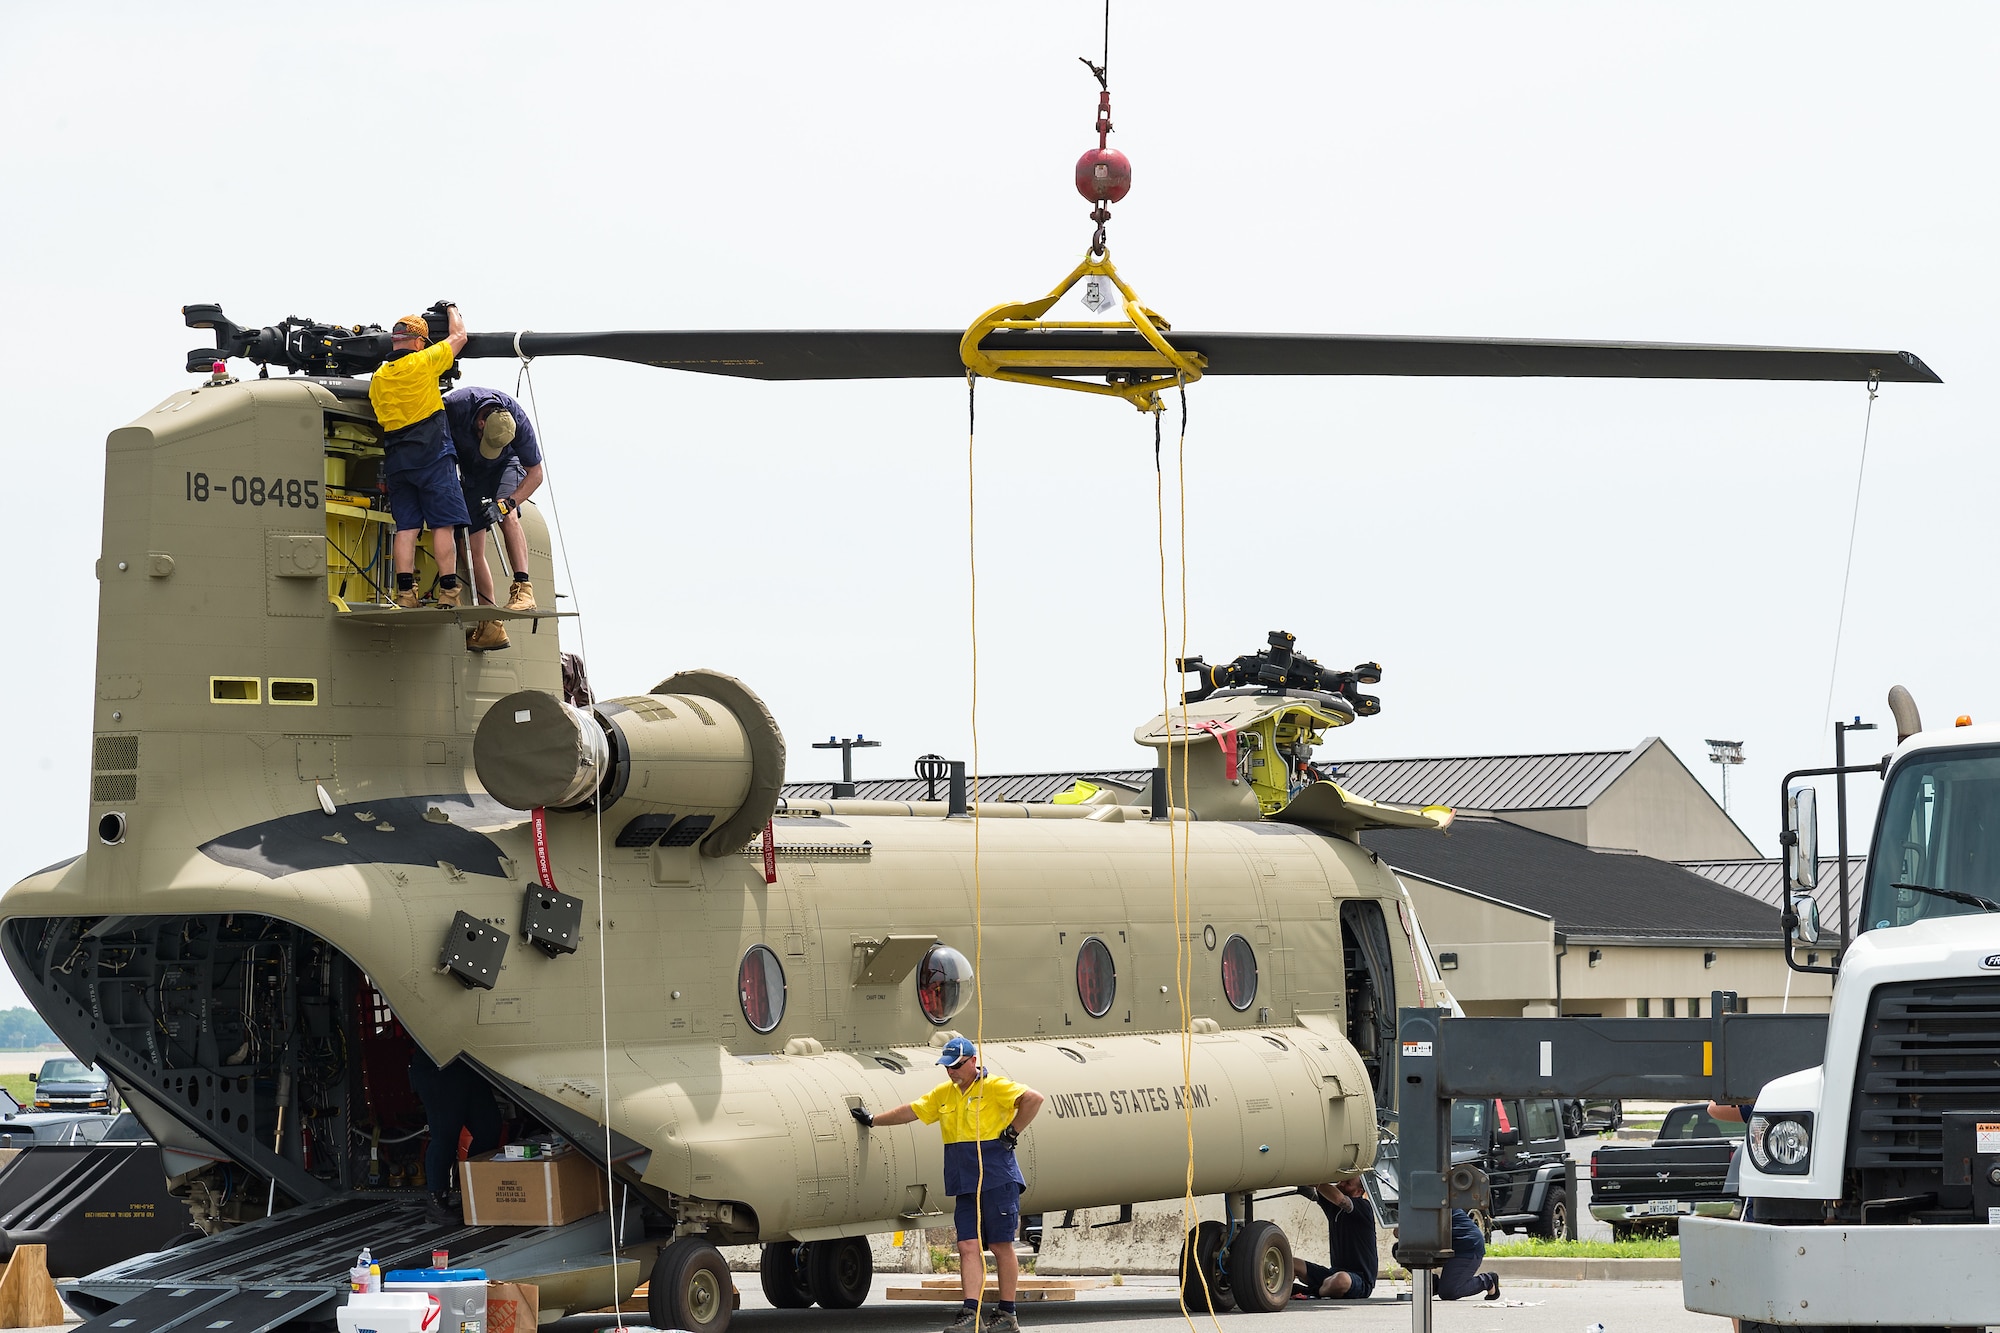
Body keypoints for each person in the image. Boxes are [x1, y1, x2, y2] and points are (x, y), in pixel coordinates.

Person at [852, 1038, 1044, 1333]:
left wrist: (1011, 1132)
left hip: (996, 1177)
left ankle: (1007, 1313)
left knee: (999, 1245)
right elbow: (912, 1111)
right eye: (947, 1066)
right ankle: (971, 1312)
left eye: (955, 1066)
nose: (950, 1072)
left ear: (971, 1061)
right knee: (967, 1245)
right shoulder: (946, 1093)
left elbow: (1034, 1098)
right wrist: (873, 1120)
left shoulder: (994, 1086)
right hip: (963, 1180)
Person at [368, 307, 471, 608]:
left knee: (407, 529)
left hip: (398, 463)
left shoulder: (379, 377)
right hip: (433, 456)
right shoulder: (424, 361)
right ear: (416, 342)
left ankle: (405, 594)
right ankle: (449, 593)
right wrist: (451, 309)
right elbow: (459, 336)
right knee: (443, 525)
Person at [443, 386, 543, 651]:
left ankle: (523, 587)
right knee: (470, 548)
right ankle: (491, 625)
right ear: (480, 422)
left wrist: (507, 504)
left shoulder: (518, 421)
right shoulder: (455, 406)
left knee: (508, 516)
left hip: (506, 465)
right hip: (473, 473)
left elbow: (536, 474)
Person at [408, 1049, 501, 1219]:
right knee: (444, 1136)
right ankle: (437, 1201)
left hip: (469, 1066)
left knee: (489, 1129)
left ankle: (475, 1191)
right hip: (438, 1068)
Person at [1291, 1179, 1377, 1299]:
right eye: (1341, 1180)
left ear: (1359, 1191)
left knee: (1341, 1280)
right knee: (1290, 1263)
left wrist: (1317, 1180)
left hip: (1359, 1280)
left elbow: (1340, 1199)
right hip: (1332, 1274)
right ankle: (1281, 1291)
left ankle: (1310, 1291)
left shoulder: (1363, 1207)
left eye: (1347, 1184)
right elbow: (1313, 1193)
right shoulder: (1333, 1207)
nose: (1341, 1184)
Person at [1437, 1207, 1500, 1301]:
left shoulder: (1429, 1200)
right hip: (1449, 1245)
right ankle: (1433, 1285)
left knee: (1449, 1292)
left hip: (1467, 1246)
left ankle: (1488, 1280)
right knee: (1409, 1256)